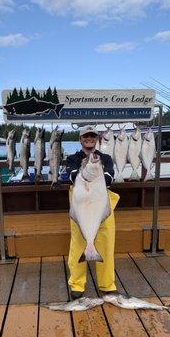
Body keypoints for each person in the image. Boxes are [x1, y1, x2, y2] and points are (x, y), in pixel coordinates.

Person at [66, 125, 120, 299]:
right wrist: (89, 174)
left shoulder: (106, 158)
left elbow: (110, 177)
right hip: (81, 210)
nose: (89, 139)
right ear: (80, 139)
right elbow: (72, 176)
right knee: (77, 247)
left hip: (102, 209)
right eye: (85, 136)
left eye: (92, 136)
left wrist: (96, 175)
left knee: (106, 246)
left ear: (97, 139)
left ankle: (107, 284)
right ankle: (77, 284)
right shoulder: (73, 158)